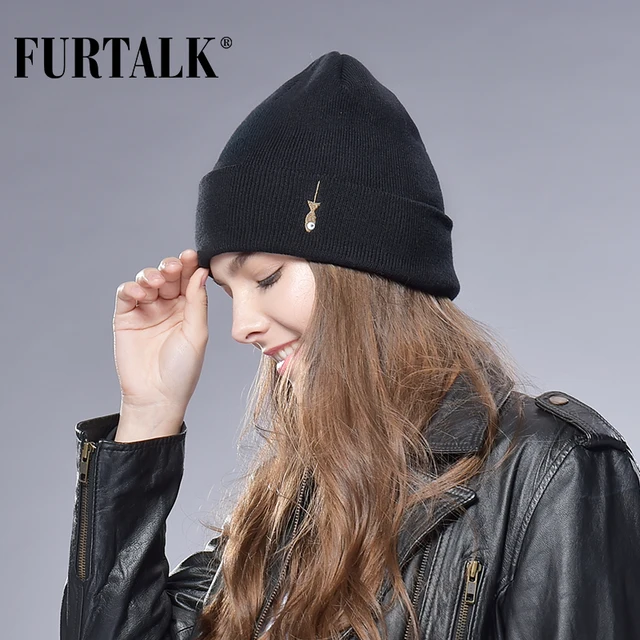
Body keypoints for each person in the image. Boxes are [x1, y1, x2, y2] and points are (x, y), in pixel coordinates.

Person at [60, 51, 640, 640]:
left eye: (265, 278)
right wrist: (149, 413)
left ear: (361, 270)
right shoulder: (281, 513)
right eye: (229, 293)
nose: (241, 327)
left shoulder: (552, 473)